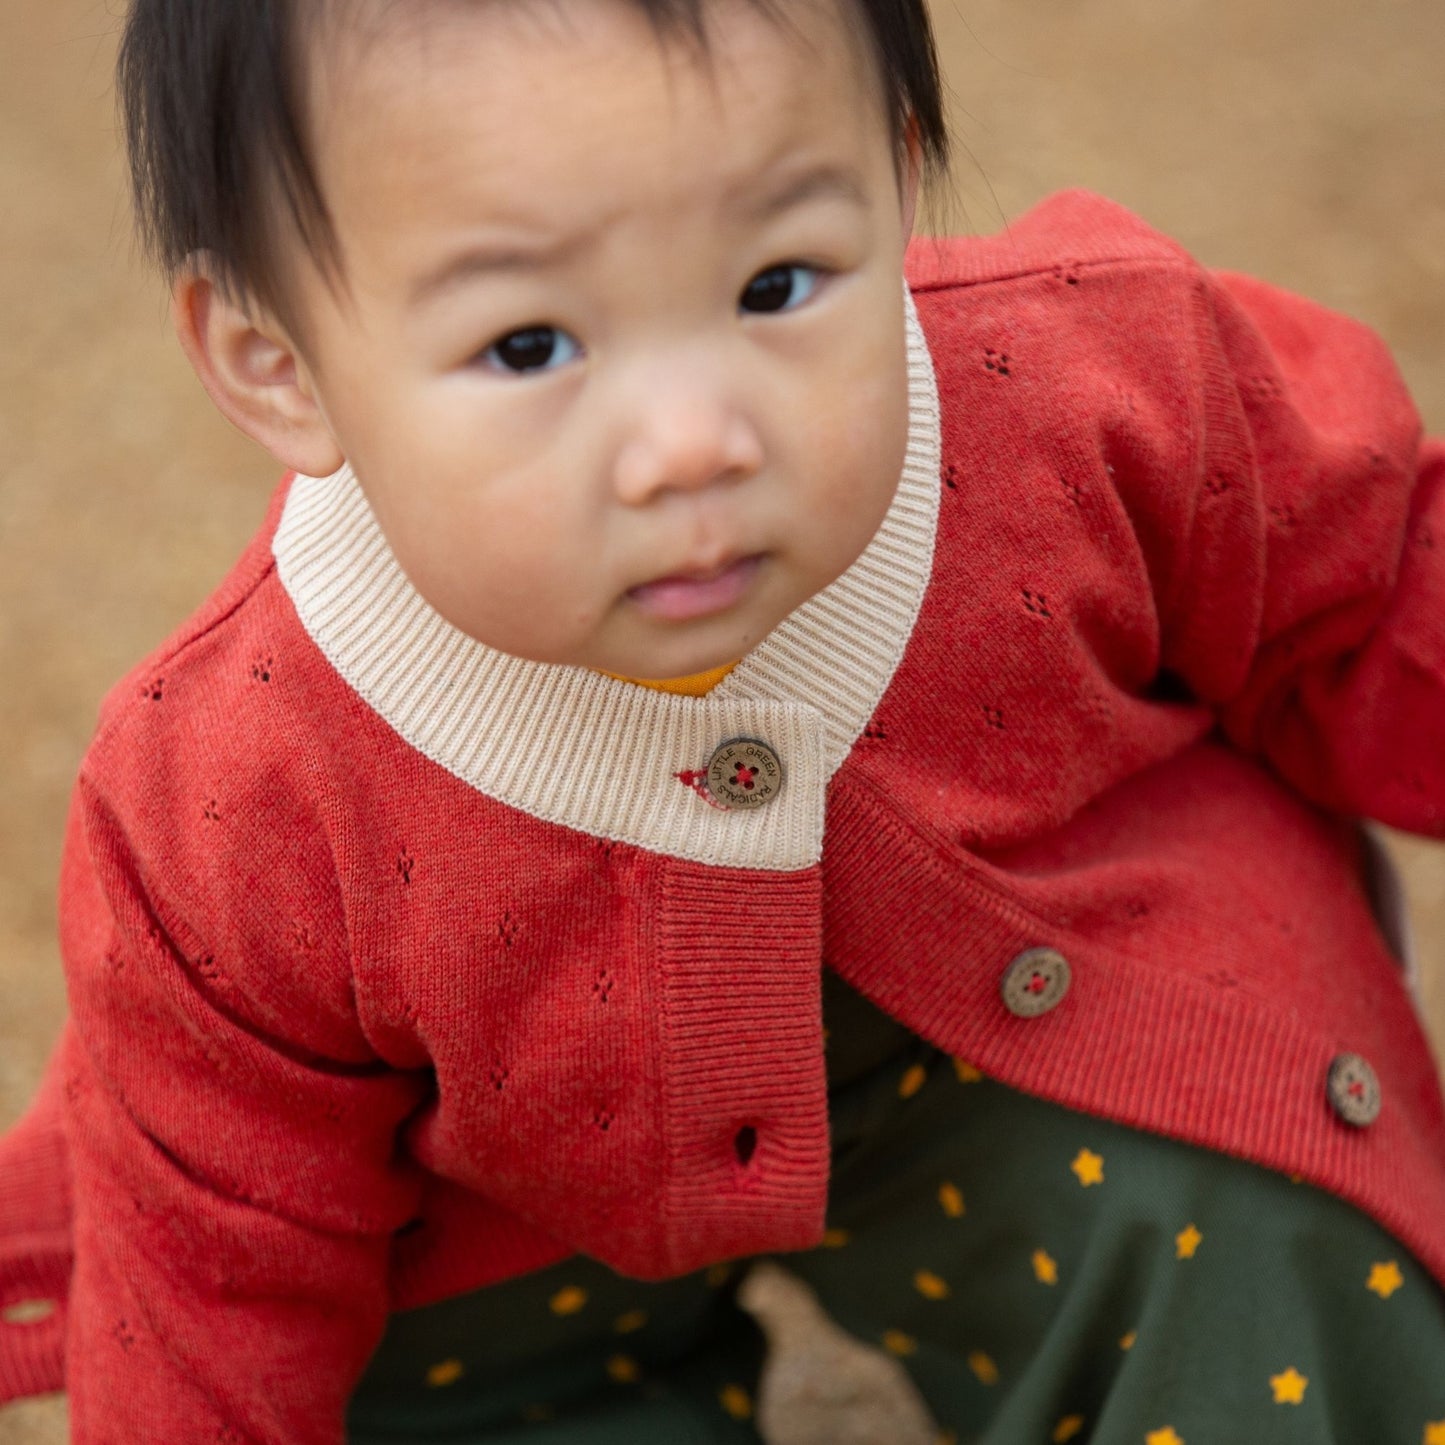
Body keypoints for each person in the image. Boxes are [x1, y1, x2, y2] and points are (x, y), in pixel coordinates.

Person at [0, 0, 1443, 1439]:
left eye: (774, 284)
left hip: (1049, 1013)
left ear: (893, 172)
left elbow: (1374, 586)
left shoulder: (1090, 382)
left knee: (1268, 1238)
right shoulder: (225, 793)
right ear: (280, 363)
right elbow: (212, 1266)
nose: (694, 439)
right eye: (526, 345)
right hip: (503, 1216)